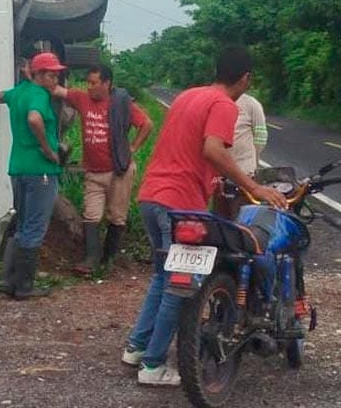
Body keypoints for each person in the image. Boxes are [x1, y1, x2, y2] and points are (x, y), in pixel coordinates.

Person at [122, 45, 287, 386]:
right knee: (181, 286)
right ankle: (152, 366)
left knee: (161, 277)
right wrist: (253, 187)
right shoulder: (225, 105)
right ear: (246, 78)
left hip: (151, 196)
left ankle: (136, 347)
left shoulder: (187, 96)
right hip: (181, 205)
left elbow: (186, 148)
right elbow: (212, 149)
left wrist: (212, 180)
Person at [0, 51, 66, 299]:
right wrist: (48, 150)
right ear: (38, 75)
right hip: (41, 170)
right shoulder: (39, 95)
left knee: (22, 225)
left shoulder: (18, 92)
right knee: (34, 227)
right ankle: (24, 286)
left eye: (56, 75)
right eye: (51, 75)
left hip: (18, 168)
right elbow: (34, 119)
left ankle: (8, 280)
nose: (55, 80)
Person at [52, 65, 153, 274]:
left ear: (107, 83)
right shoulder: (82, 99)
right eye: (88, 82)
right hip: (93, 171)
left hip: (119, 170)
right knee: (91, 214)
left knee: (117, 216)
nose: (89, 87)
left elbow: (147, 124)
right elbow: (56, 90)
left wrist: (133, 147)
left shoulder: (121, 104)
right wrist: (34, 77)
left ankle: (108, 259)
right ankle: (91, 259)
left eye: (94, 83)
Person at [213, 92, 269, 219]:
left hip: (244, 174)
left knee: (241, 217)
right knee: (219, 218)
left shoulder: (251, 105)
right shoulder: (216, 102)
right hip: (218, 175)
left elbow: (260, 137)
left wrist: (252, 160)